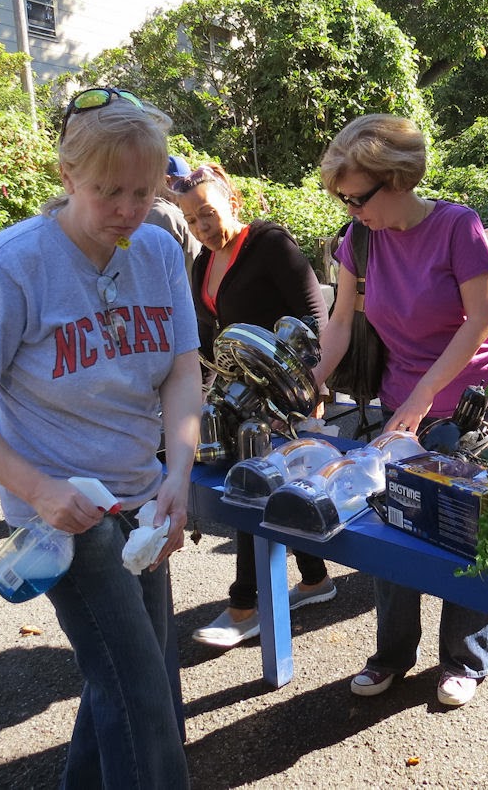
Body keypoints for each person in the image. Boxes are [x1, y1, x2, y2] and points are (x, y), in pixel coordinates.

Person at [0, 87, 199, 789]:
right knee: (143, 697)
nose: (128, 211)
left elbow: (180, 368)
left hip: (145, 497)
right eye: (109, 191)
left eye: (144, 191)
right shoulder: (11, 263)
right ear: (67, 175)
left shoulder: (161, 250)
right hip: (64, 515)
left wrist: (180, 473)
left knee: (128, 675)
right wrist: (40, 491)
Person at [313, 114, 488, 708]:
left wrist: (424, 395)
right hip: (407, 396)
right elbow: (338, 326)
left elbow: (480, 318)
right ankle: (392, 652)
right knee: (394, 518)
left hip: (478, 393)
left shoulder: (457, 227)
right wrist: (309, 382)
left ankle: (465, 659)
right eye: (343, 200)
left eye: (358, 197)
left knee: (467, 528)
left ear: (398, 178)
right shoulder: (357, 240)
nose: (352, 210)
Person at [173, 162, 334, 649]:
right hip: (234, 398)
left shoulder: (269, 244)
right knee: (267, 490)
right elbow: (206, 337)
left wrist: (312, 393)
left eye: (208, 214)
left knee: (250, 489)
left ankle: (245, 604)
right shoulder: (204, 262)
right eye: (192, 221)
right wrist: (198, 396)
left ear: (234, 203)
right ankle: (315, 579)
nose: (203, 229)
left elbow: (314, 318)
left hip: (283, 397)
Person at [144, 155, 201, 274]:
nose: (187, 190)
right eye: (183, 184)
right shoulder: (163, 213)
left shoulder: (155, 213)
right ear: (167, 181)